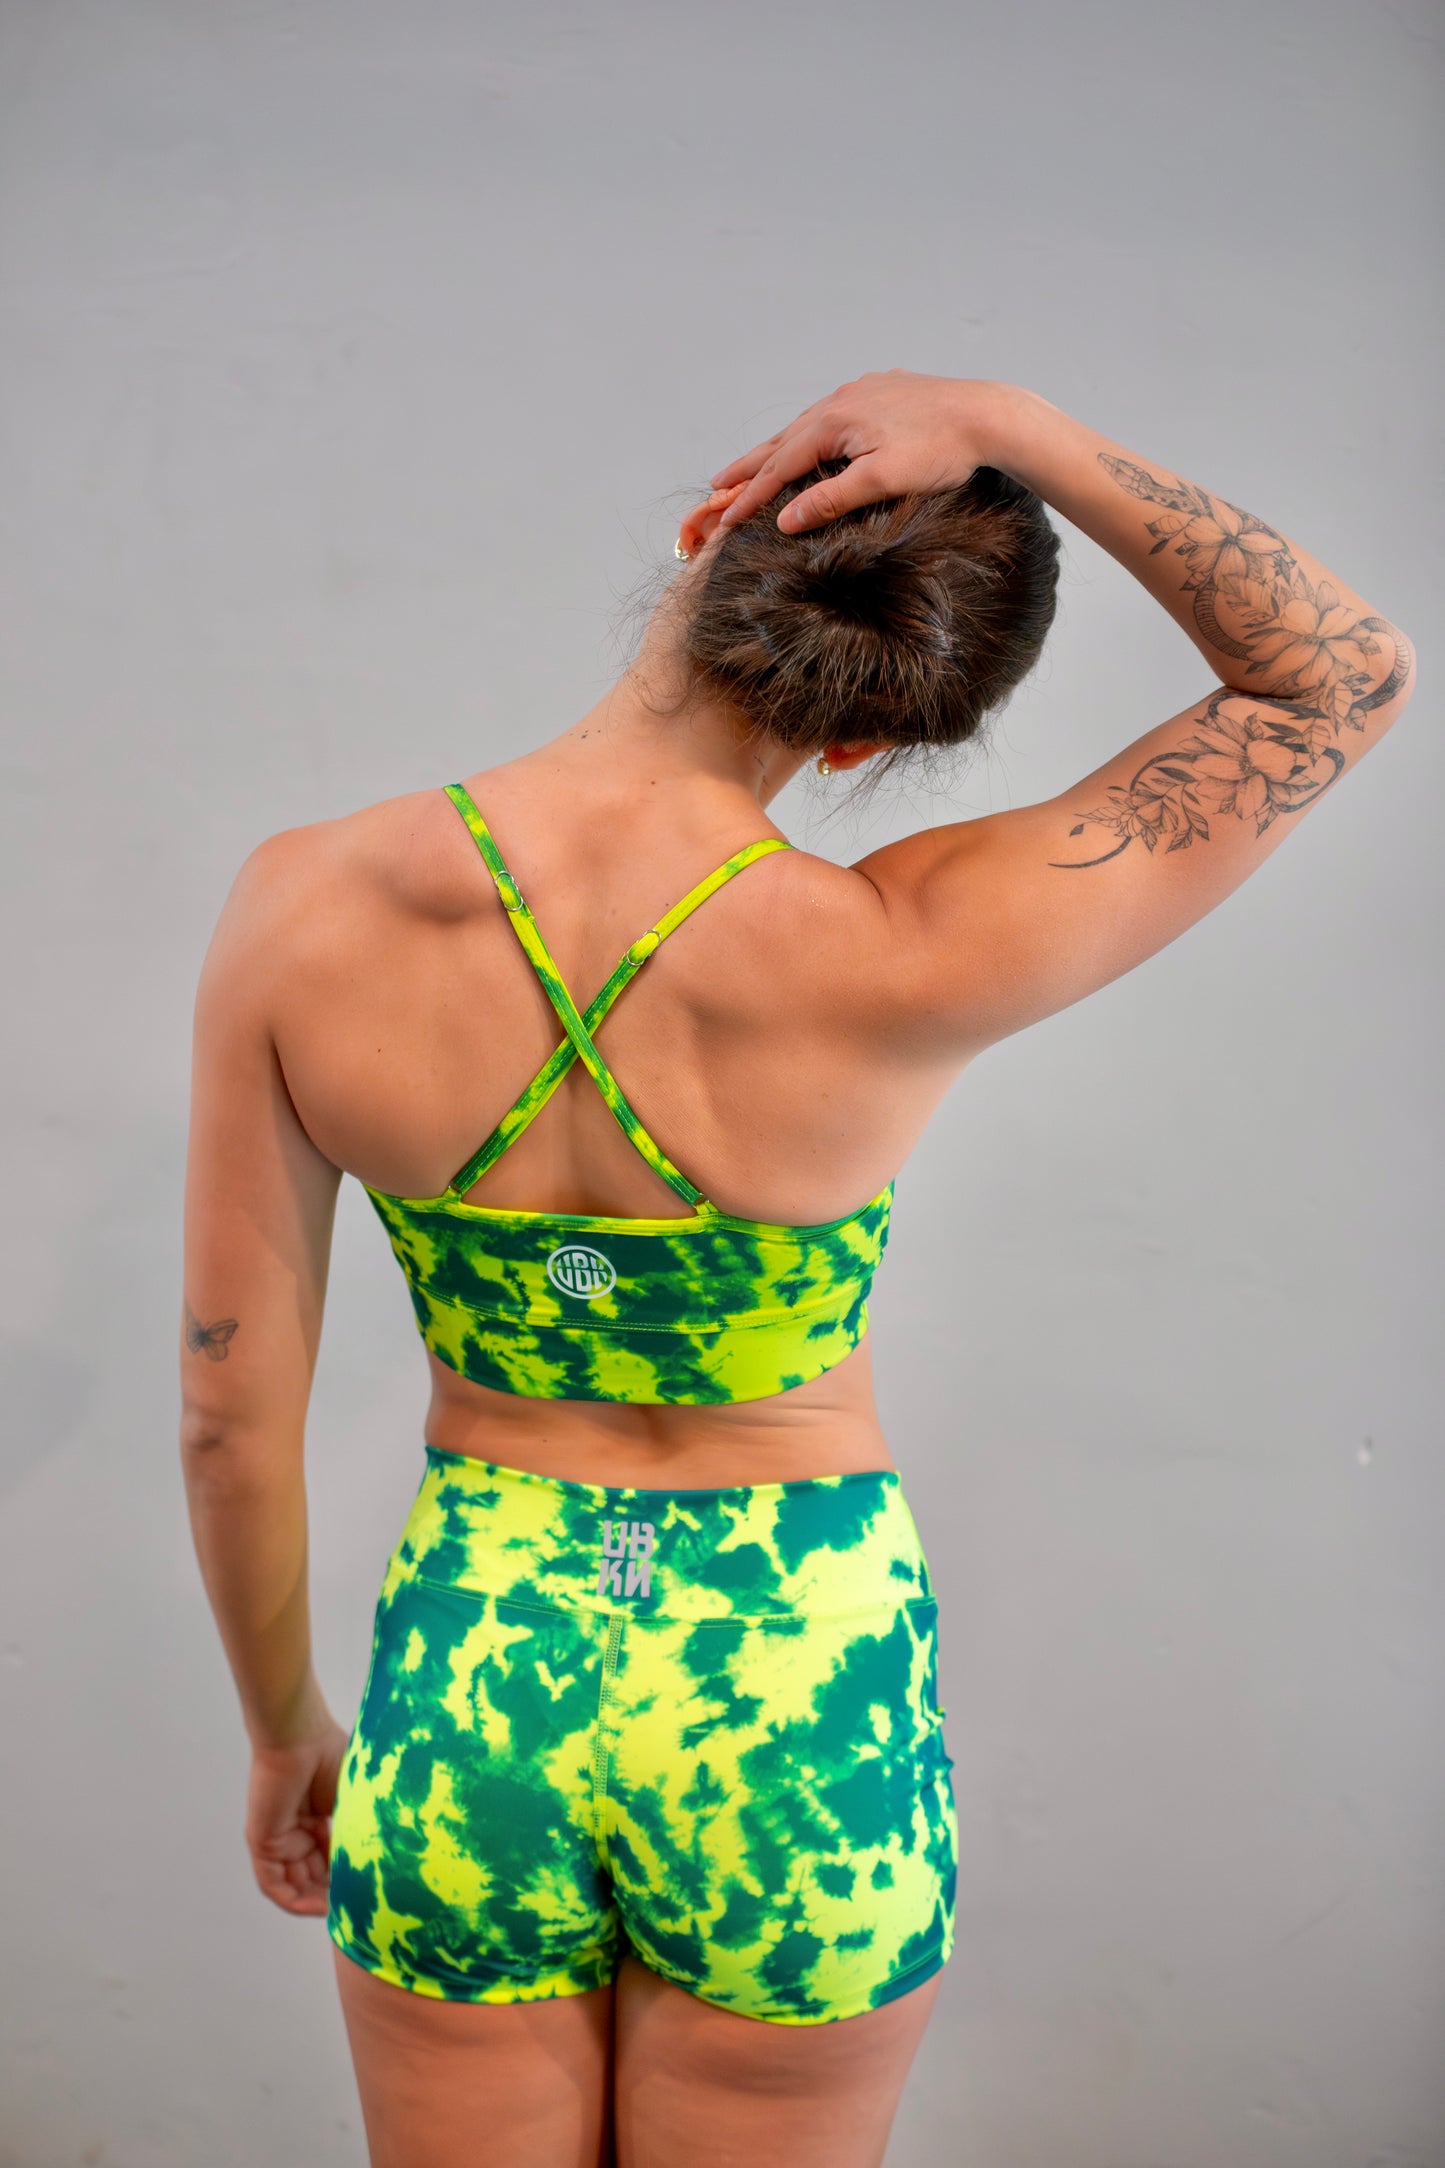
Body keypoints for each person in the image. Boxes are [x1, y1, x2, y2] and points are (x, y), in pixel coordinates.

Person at [180, 371, 1416, 2168]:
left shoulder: (302, 904)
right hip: (793, 1699)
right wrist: (1011, 419)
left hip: (476, 1670)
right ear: (866, 738)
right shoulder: (903, 944)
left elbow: (226, 1413)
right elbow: (1339, 675)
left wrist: (283, 1727)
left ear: (709, 535)